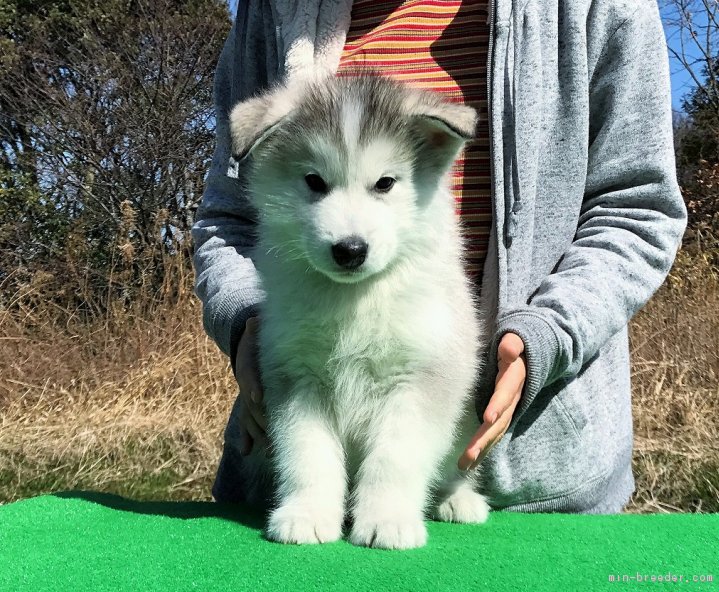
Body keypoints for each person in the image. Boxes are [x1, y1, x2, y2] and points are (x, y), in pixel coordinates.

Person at [192, 0, 687, 514]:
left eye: (383, 184)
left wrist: (551, 332)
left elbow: (637, 209)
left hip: (541, 481)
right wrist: (245, 319)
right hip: (281, 477)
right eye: (317, 185)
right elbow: (227, 217)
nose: (348, 229)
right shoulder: (273, 8)